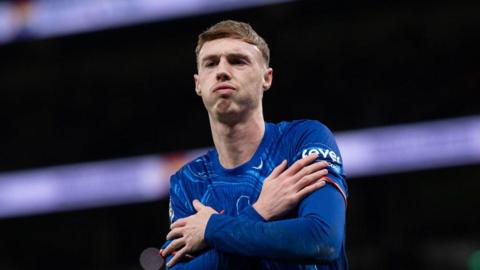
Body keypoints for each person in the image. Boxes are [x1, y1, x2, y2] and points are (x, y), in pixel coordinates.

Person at [160, 20, 348, 270]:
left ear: (266, 78)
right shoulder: (187, 181)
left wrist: (211, 229)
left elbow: (321, 240)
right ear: (198, 84)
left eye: (238, 61)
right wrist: (260, 211)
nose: (222, 71)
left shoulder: (303, 139)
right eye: (211, 63)